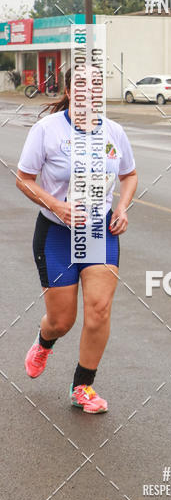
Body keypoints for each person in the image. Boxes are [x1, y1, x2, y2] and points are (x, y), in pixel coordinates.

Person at [16, 67, 137, 414]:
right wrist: (56, 205)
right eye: (81, 86)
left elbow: (129, 175)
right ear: (69, 91)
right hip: (56, 232)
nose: (89, 92)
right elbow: (23, 179)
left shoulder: (114, 132)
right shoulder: (47, 131)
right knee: (62, 320)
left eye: (96, 86)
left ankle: (82, 386)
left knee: (99, 310)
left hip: (98, 231)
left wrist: (123, 208)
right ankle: (45, 340)